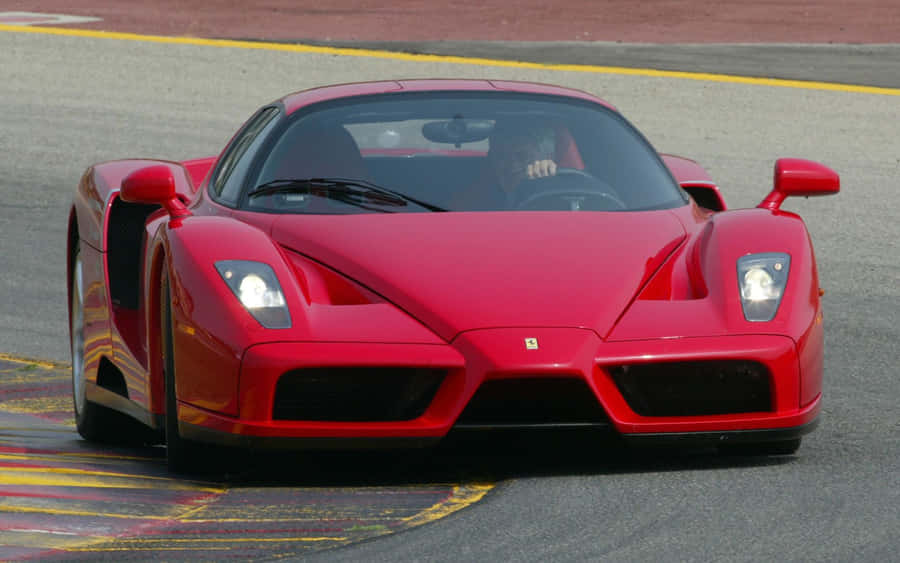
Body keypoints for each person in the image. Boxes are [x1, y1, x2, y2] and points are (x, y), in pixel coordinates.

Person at [451, 121, 559, 210]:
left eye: (522, 156)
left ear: (543, 157)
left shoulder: (558, 188)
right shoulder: (479, 193)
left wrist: (546, 184)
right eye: (501, 156)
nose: (512, 164)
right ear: (492, 159)